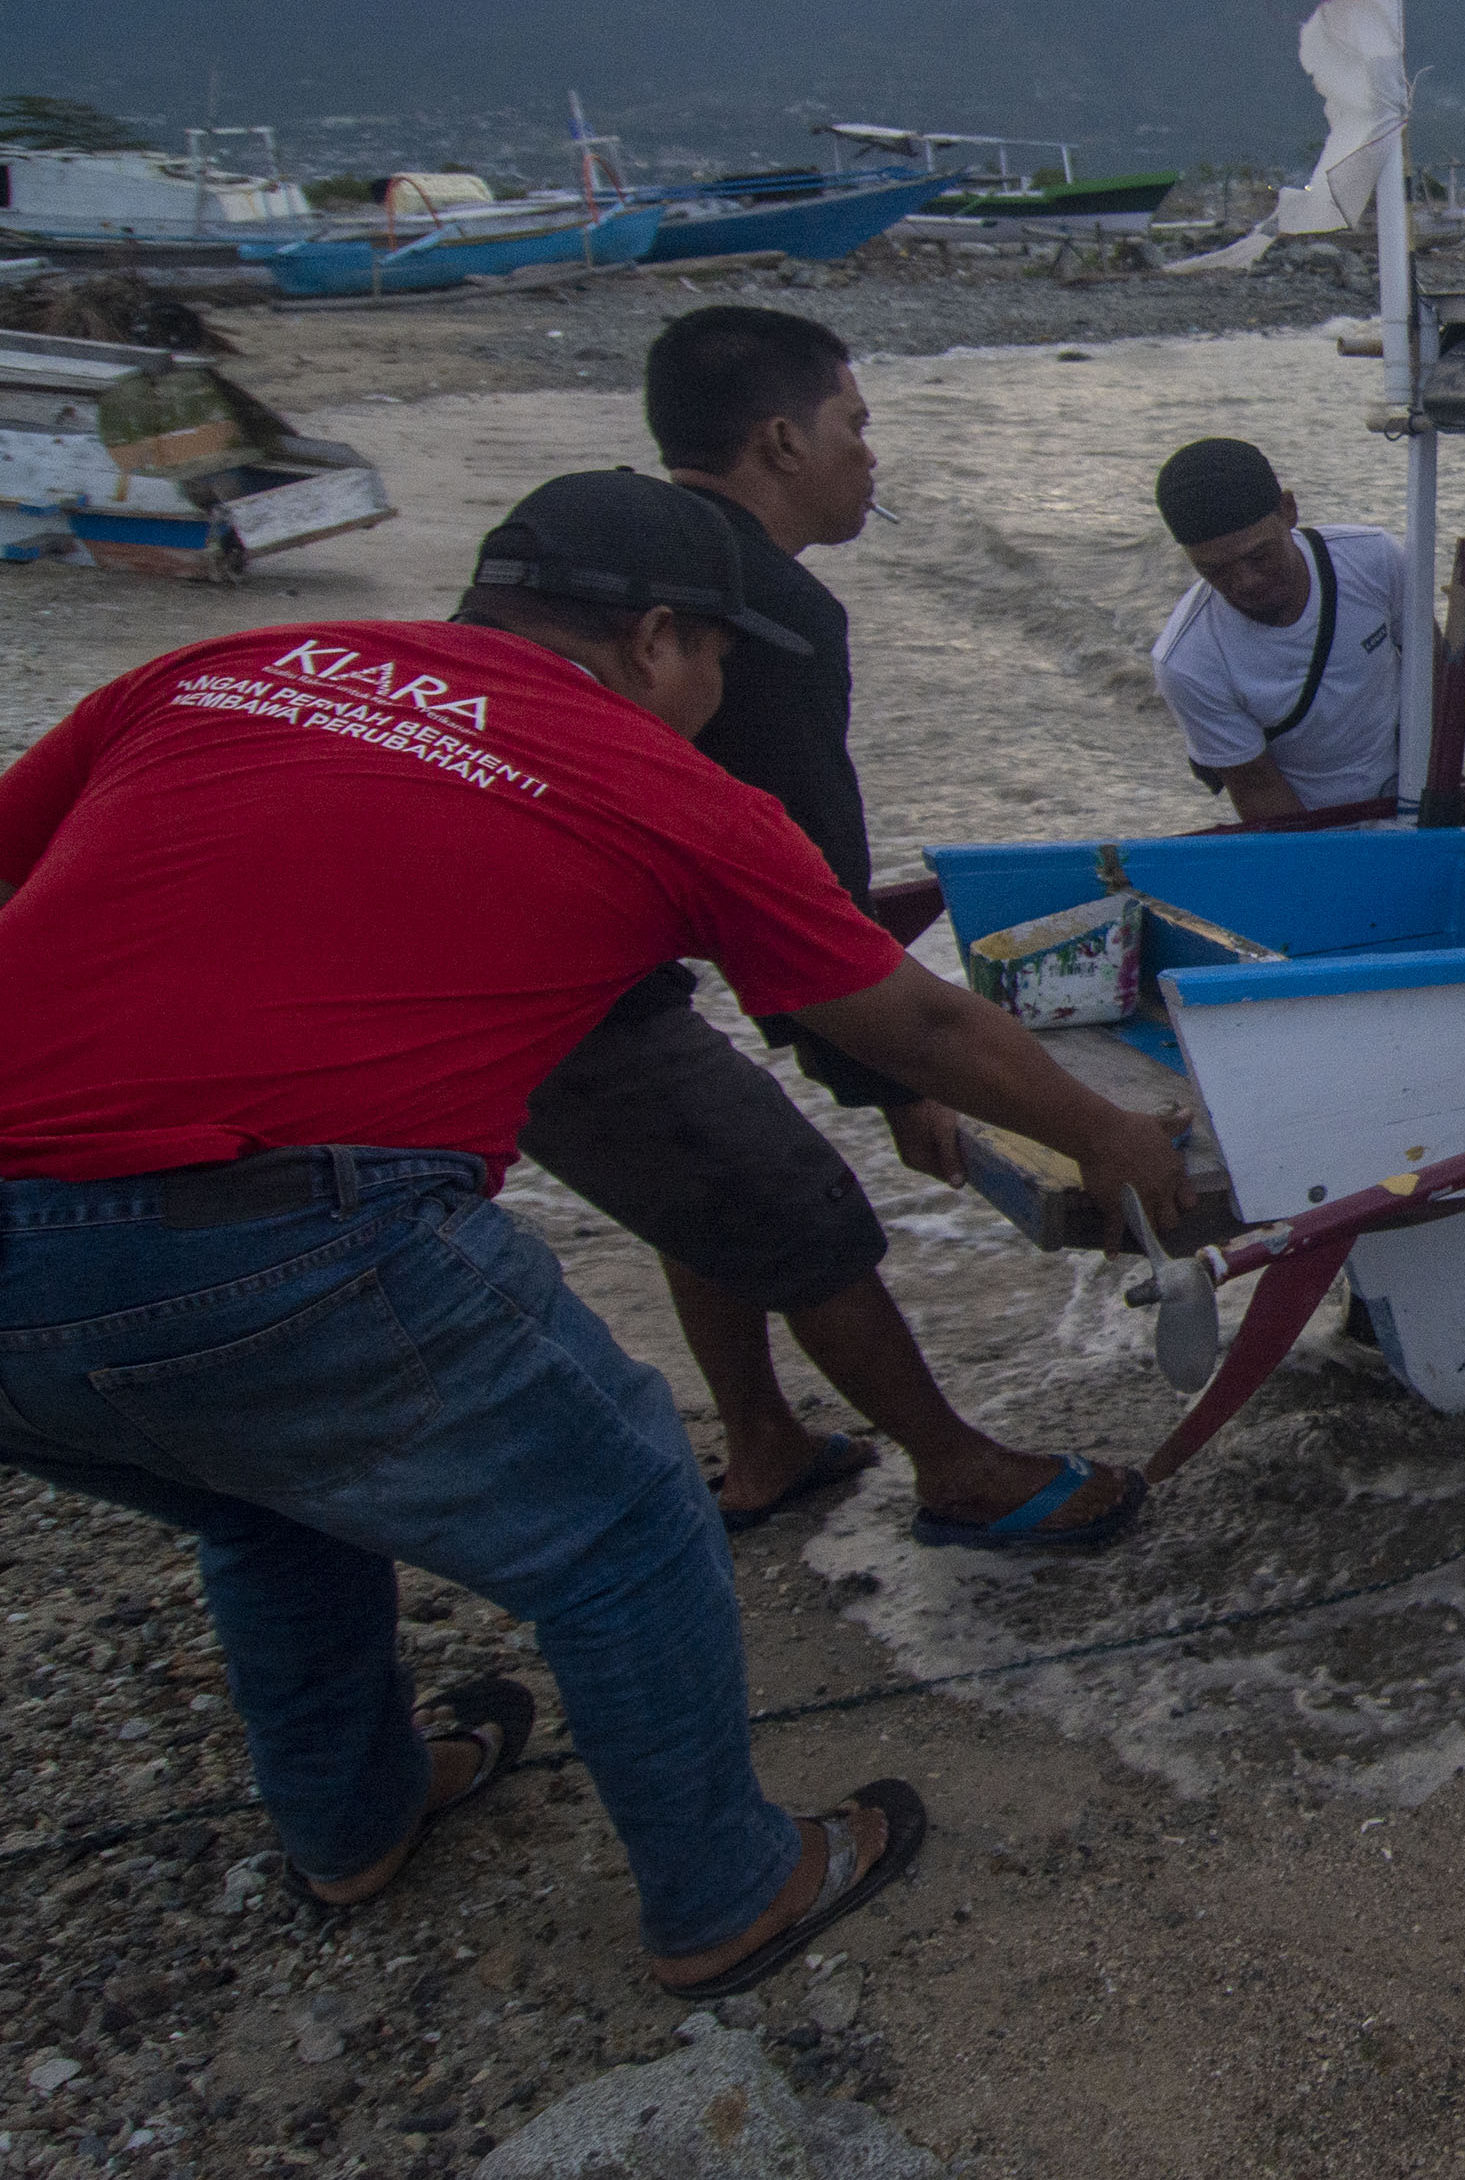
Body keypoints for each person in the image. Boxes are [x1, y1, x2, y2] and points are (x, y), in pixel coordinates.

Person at [0, 471, 1190, 1990]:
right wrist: (1108, 1132)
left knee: (262, 1502)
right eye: (716, 666)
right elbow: (912, 1017)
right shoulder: (659, 782)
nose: (714, 700)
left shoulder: (223, 668)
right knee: (624, 1518)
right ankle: (729, 1892)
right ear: (653, 639)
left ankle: (352, 1818)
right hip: (269, 1231)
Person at [519, 307, 1143, 1554]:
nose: (872, 455)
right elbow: (812, 883)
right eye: (854, 424)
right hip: (559, 974)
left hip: (539, 937)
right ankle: (956, 1470)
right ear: (779, 441)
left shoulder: (595, 544)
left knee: (694, 1186)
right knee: (793, 1202)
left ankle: (765, 1442)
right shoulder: (768, 611)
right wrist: (890, 1081)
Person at [1147, 437, 1406, 822]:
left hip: (1413, 790)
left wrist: (1439, 785)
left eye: (1258, 556)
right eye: (1214, 570)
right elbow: (1258, 791)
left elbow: (1431, 665)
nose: (1246, 583)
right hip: (1311, 825)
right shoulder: (1187, 663)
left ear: (1288, 510)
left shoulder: (1374, 558)